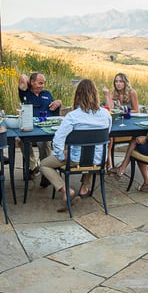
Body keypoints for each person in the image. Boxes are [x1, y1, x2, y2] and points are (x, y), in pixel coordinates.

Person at [37, 79, 112, 211]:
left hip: (76, 158)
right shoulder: (106, 114)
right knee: (92, 154)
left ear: (77, 95)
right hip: (99, 159)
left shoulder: (73, 116)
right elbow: (107, 134)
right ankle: (84, 188)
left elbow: (58, 139)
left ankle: (65, 190)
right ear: (96, 94)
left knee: (44, 164)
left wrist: (60, 155)